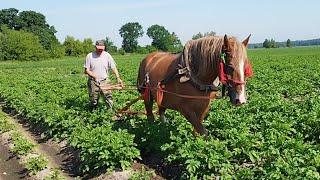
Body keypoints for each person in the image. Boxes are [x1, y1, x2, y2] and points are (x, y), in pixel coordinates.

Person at [84, 40, 123, 110]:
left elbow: (113, 67)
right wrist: (94, 76)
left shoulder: (107, 55)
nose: (100, 50)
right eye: (99, 49)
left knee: (108, 97)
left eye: (102, 49)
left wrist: (118, 78)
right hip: (93, 82)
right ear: (95, 47)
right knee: (94, 100)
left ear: (104, 47)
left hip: (104, 81)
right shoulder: (89, 56)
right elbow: (86, 70)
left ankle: (110, 112)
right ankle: (93, 111)